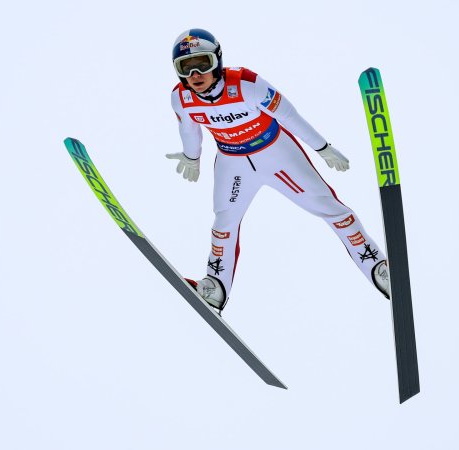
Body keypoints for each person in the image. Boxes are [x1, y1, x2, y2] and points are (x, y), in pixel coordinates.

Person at [167, 28, 389, 314]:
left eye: (203, 64)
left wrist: (321, 147)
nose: (196, 74)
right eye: (186, 68)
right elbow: (189, 129)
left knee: (332, 209)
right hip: (232, 162)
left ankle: (378, 268)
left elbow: (288, 115)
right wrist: (192, 157)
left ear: (218, 61)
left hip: (275, 153)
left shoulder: (246, 84)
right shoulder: (181, 98)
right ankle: (215, 288)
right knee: (223, 224)